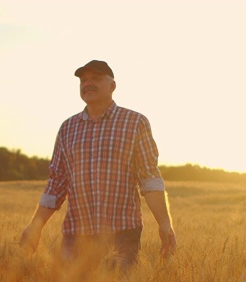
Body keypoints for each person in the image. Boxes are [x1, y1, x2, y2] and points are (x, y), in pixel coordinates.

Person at [20, 60, 177, 268]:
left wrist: (165, 224)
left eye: (96, 79)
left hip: (121, 234)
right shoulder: (68, 128)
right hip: (75, 235)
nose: (88, 84)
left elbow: (150, 178)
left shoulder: (135, 123)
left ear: (112, 86)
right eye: (83, 80)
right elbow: (56, 183)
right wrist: (35, 226)